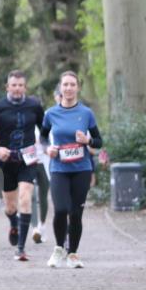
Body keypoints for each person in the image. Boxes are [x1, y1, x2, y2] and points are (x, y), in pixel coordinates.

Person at [0, 70, 45, 261]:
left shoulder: (34, 105)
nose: (17, 89)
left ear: (25, 87)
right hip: (6, 161)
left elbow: (45, 129)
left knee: (25, 198)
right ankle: (13, 223)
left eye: (20, 85)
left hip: (28, 160)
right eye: (13, 85)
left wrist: (46, 145)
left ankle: (21, 248)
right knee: (10, 206)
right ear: (7, 87)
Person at [42, 71, 103, 269]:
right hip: (59, 168)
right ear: (60, 88)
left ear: (78, 88)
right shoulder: (51, 114)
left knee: (76, 213)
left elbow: (99, 141)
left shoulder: (86, 113)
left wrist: (88, 141)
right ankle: (59, 248)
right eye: (65, 85)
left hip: (82, 169)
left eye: (72, 85)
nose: (68, 88)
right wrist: (47, 148)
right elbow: (43, 138)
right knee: (60, 210)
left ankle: (73, 254)